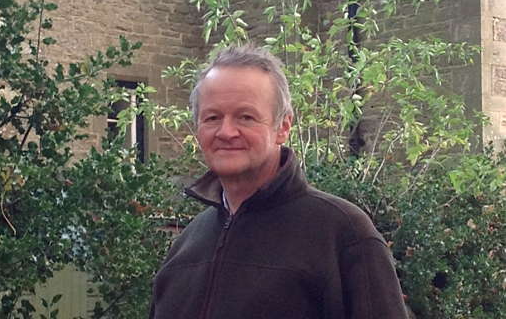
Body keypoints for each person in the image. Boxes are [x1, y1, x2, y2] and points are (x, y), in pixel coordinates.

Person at [149, 45, 409, 319]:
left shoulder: (343, 234)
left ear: (283, 127)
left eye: (245, 117)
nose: (226, 131)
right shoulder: (186, 247)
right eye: (212, 117)